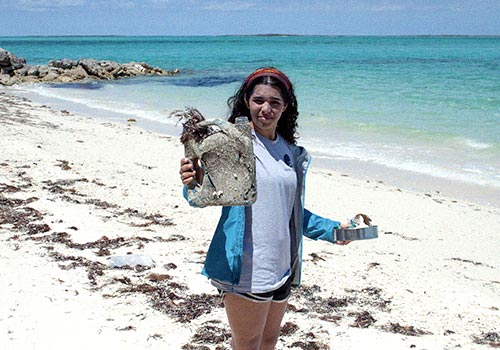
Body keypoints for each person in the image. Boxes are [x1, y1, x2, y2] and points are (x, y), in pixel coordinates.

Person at [179, 67, 351, 350]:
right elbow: (201, 196)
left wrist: (332, 231)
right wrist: (192, 181)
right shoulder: (232, 145)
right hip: (246, 269)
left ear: (286, 107)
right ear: (247, 100)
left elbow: (291, 213)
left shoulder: (290, 153)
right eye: (259, 100)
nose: (266, 109)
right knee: (247, 344)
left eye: (275, 102)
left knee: (268, 342)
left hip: (282, 267)